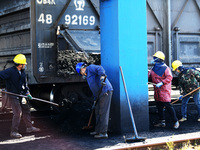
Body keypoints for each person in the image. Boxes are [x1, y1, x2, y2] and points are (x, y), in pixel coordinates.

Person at [0, 54, 40, 138]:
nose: (25, 65)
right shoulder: (10, 71)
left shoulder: (22, 73)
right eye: (24, 64)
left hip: (21, 94)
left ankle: (29, 128)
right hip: (13, 95)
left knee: (26, 109)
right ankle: (13, 131)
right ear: (20, 64)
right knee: (18, 113)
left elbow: (25, 85)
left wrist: (27, 93)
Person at [76, 62, 113, 139]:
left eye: (81, 72)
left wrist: (102, 77)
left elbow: (100, 68)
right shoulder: (88, 76)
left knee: (103, 112)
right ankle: (98, 130)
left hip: (105, 91)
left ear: (82, 69)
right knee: (97, 111)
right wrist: (95, 100)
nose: (82, 74)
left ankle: (103, 133)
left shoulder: (90, 68)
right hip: (98, 95)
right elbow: (94, 88)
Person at [148, 51, 179, 129]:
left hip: (164, 91)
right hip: (157, 91)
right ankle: (162, 122)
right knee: (159, 107)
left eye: (155, 58)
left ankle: (175, 121)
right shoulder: (154, 68)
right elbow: (150, 76)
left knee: (168, 106)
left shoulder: (165, 68)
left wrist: (162, 83)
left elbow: (169, 77)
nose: (153, 59)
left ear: (159, 59)